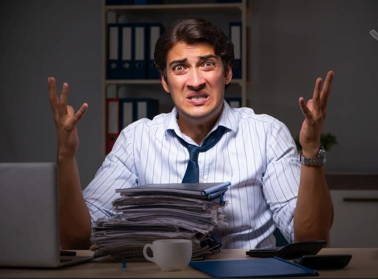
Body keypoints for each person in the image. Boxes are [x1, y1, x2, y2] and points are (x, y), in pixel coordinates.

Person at [48, 18, 333, 250]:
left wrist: (310, 152)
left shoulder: (267, 133)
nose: (195, 81)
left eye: (207, 64)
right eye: (180, 68)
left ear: (227, 73)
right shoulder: (136, 139)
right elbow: (77, 239)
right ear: (164, 81)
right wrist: (66, 155)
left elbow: (309, 237)